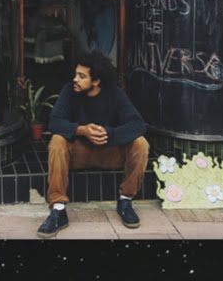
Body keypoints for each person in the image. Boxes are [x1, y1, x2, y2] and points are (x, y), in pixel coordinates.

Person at [37, 51, 149, 238]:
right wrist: (81, 130)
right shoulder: (69, 91)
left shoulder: (114, 93)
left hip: (109, 153)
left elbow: (137, 124)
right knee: (57, 140)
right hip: (78, 155)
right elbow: (54, 122)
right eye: (76, 74)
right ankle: (58, 210)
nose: (75, 79)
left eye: (82, 76)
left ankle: (125, 201)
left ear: (96, 81)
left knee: (140, 143)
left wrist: (109, 133)